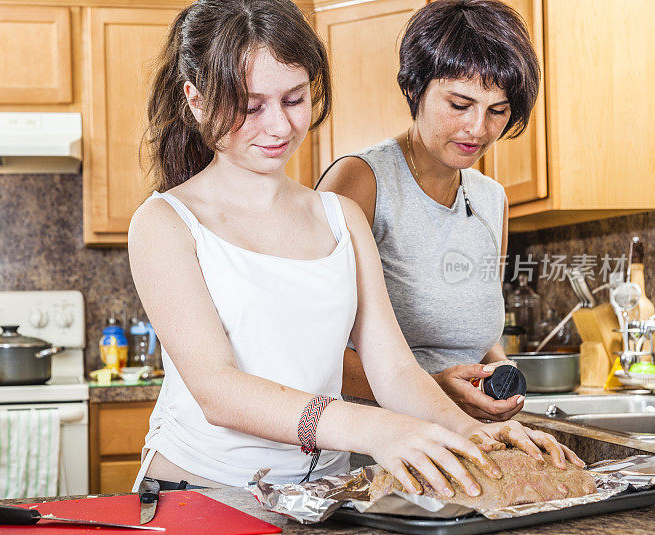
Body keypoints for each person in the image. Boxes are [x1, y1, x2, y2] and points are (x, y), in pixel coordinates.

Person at [128, 0, 581, 495]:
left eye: (294, 100)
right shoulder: (165, 223)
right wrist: (378, 429)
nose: (278, 126)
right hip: (198, 488)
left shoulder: (338, 217)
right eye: (251, 106)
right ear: (195, 100)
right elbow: (218, 390)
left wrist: (469, 431)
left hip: (323, 494)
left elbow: (394, 369)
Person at [317, 0, 538, 421]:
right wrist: (435, 388)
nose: (478, 128)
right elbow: (306, 347)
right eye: (459, 104)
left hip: (464, 433)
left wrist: (497, 370)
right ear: (415, 88)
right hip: (374, 437)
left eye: (498, 111)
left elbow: (474, 337)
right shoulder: (360, 181)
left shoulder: (493, 199)